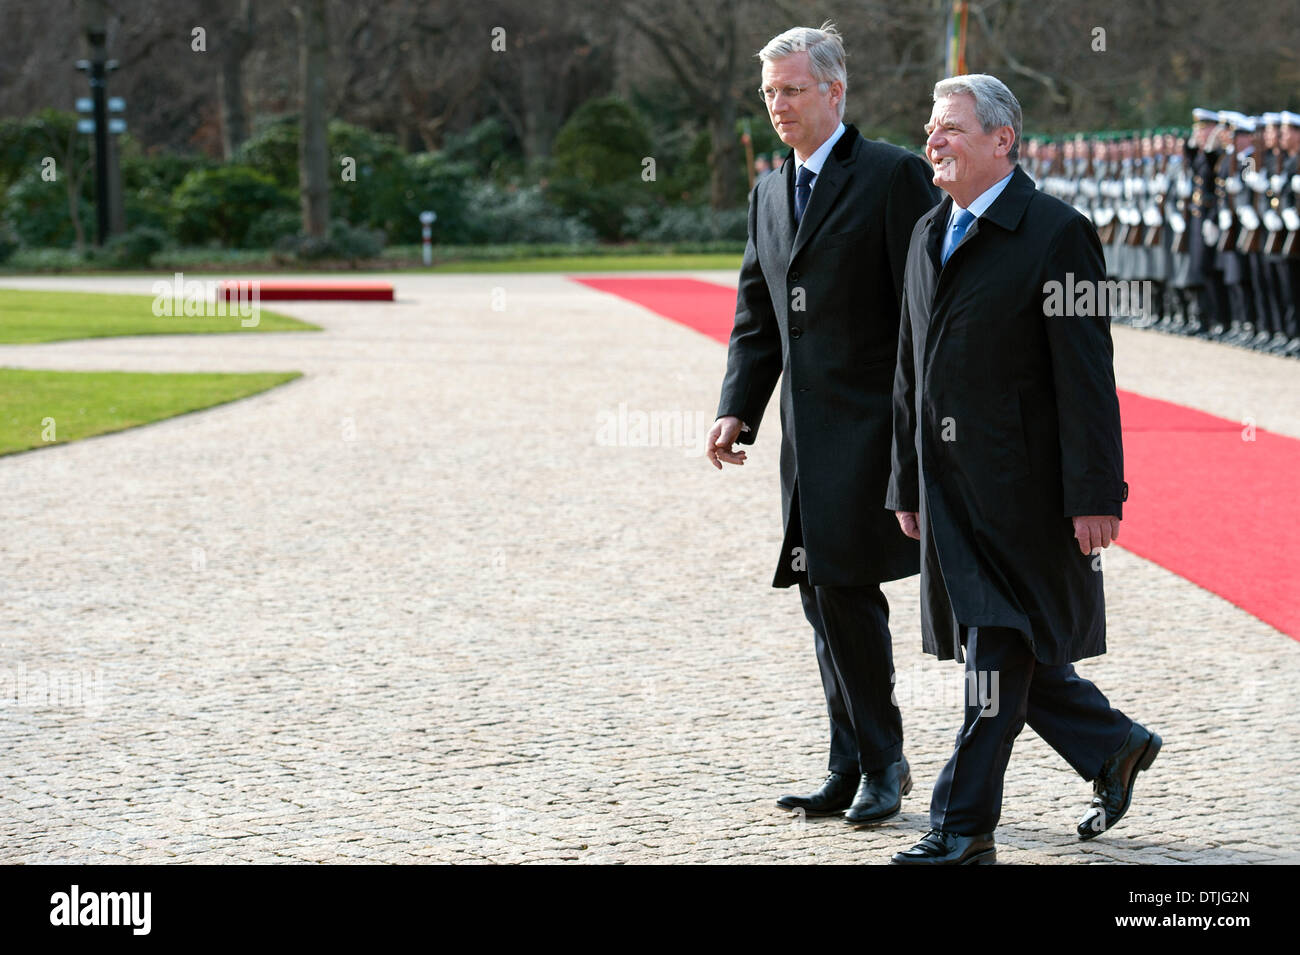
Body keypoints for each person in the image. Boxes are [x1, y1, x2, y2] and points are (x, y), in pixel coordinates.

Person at [885, 74, 1160, 865]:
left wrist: (1097, 493)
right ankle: (1113, 745)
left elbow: (1086, 377)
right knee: (1008, 648)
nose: (932, 140)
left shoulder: (1057, 232)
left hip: (1025, 496)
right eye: (930, 127)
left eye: (951, 129)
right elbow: (911, 370)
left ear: (1002, 141)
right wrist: (904, 480)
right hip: (947, 492)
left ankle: (962, 826)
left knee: (998, 654)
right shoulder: (924, 232)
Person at [707, 21, 937, 825]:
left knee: (843, 588)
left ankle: (883, 760)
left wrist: (923, 425)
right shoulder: (769, 191)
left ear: (835, 92)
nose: (779, 105)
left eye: (793, 90)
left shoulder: (892, 176)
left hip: (874, 431)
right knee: (820, 591)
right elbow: (756, 317)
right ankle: (852, 761)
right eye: (770, 92)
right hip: (805, 441)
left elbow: (926, 310)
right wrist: (738, 406)